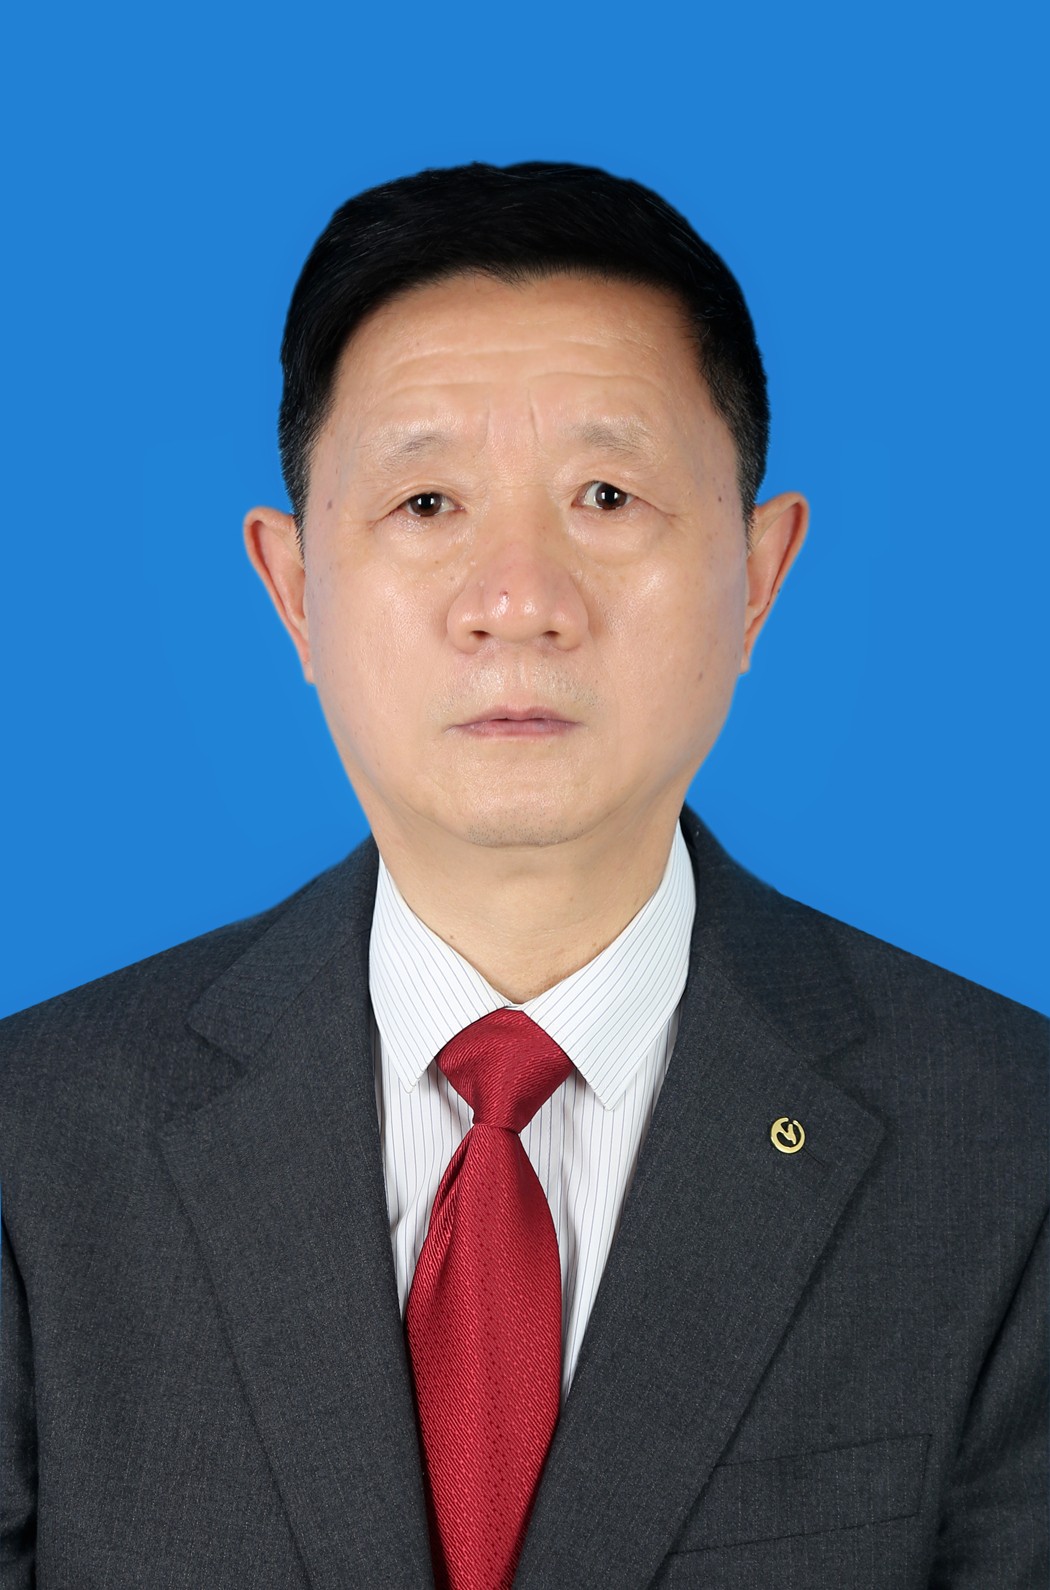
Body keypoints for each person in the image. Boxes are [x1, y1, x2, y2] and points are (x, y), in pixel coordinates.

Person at [1, 160, 1046, 1590]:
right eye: (426, 501)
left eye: (606, 494)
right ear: (293, 588)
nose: (517, 601)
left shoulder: (1007, 1149)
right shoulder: (36, 1148)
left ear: (760, 573)